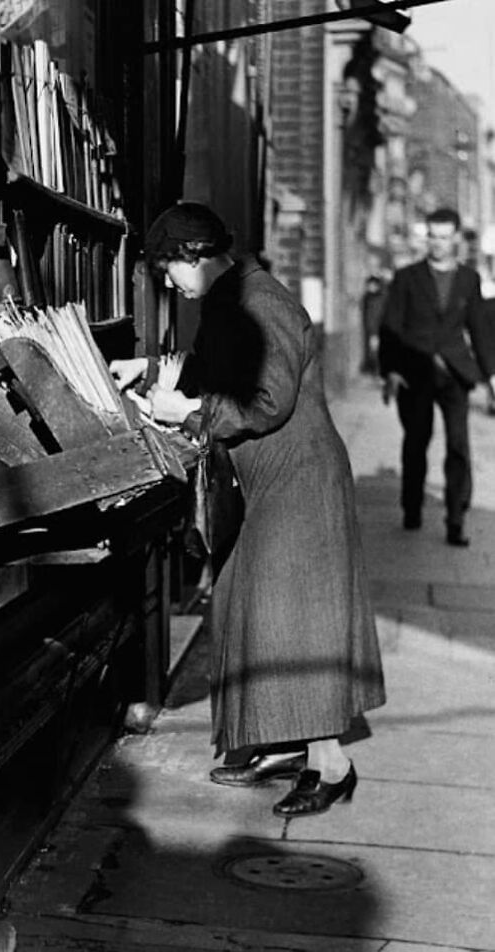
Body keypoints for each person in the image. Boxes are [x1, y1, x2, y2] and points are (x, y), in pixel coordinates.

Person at [110, 202, 385, 818]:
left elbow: (267, 400)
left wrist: (189, 413)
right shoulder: (232, 300)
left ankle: (331, 764)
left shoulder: (262, 303)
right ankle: (288, 742)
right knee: (248, 605)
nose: (168, 284)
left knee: (294, 616)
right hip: (272, 480)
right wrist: (150, 369)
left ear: (196, 256)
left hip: (300, 480)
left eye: (168, 270)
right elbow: (217, 370)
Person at [379, 207, 495, 547]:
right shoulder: (407, 278)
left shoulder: (468, 279)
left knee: (458, 445)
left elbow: (479, 330)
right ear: (425, 237)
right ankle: (412, 506)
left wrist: (491, 377)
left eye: (445, 237)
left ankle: (456, 519)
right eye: (432, 236)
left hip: (455, 374)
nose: (438, 244)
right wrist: (392, 370)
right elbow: (391, 328)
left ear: (456, 238)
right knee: (417, 441)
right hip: (415, 372)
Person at [360, 274, 387, 374]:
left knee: (376, 352)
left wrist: (375, 332)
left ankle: (379, 373)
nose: (369, 287)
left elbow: (376, 317)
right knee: (373, 352)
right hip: (371, 330)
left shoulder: (378, 299)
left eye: (372, 285)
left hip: (376, 331)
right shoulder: (368, 298)